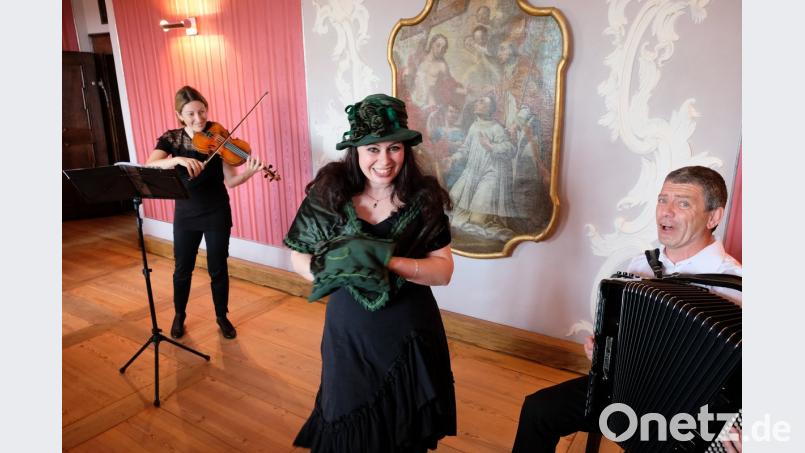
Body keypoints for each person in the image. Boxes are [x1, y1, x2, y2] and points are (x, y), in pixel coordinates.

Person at [512, 165, 742, 452]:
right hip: (625, 392)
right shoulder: (642, 266)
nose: (666, 212)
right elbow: (621, 335)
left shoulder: (737, 285)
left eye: (682, 203)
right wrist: (603, 351)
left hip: (689, 417)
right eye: (662, 200)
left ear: (714, 217)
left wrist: (738, 420)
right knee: (539, 409)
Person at [284, 93, 457, 452]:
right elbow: (298, 256)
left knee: (402, 431)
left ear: (406, 150)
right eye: (372, 150)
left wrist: (385, 261)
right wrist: (331, 272)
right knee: (346, 419)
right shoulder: (329, 193)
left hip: (408, 333)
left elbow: (443, 271)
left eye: (394, 148)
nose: (384, 160)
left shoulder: (424, 199)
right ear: (356, 152)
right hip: (349, 333)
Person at [145, 86, 266, 340]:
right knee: (182, 268)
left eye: (202, 111)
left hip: (216, 211)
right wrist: (177, 160)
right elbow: (150, 164)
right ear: (179, 115)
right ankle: (179, 315)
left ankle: (222, 316)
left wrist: (249, 172)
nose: (198, 119)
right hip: (186, 215)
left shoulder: (218, 135)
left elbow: (231, 181)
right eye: (190, 114)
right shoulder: (172, 140)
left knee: (218, 268)